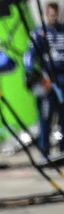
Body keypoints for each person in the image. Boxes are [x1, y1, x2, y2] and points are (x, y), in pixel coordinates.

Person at [25, 2, 64, 157]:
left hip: (62, 80)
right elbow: (28, 57)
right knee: (46, 118)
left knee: (62, 120)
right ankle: (45, 151)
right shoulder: (39, 33)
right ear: (46, 15)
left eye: (55, 14)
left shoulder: (62, 31)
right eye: (50, 15)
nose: (53, 17)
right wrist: (33, 75)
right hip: (47, 81)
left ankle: (61, 149)